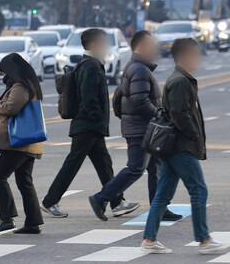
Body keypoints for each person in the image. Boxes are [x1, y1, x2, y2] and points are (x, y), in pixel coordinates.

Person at [140, 38, 229, 255]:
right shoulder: (180, 81)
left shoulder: (183, 79)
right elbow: (179, 114)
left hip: (174, 146)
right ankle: (204, 240)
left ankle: (150, 239)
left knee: (164, 193)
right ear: (183, 57)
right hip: (181, 146)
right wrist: (193, 134)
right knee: (198, 189)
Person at [41, 28, 136, 218]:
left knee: (103, 164)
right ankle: (50, 201)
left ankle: (117, 202)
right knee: (73, 164)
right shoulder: (91, 66)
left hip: (89, 125)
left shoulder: (88, 63)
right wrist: (96, 117)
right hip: (87, 125)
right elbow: (89, 96)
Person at [89, 30, 180, 222]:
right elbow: (140, 100)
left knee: (155, 168)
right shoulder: (138, 69)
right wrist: (158, 116)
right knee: (136, 168)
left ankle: (160, 208)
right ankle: (101, 198)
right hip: (141, 129)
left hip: (142, 128)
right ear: (141, 47)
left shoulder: (137, 67)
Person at [0, 53, 45, 234]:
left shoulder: (21, 86)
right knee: (24, 182)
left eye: (4, 71)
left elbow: (11, 108)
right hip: (26, 143)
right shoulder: (26, 84)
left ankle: (7, 219)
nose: (4, 75)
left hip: (18, 143)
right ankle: (33, 222)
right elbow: (11, 104)